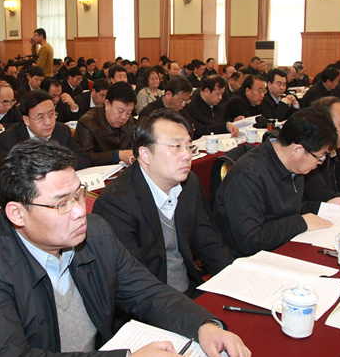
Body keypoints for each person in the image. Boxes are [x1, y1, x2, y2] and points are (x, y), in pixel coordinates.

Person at [0, 139, 250, 357]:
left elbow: (147, 292)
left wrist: (204, 325)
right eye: (62, 204)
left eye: (78, 194)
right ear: (17, 213)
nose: (79, 210)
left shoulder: (94, 233)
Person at [93, 110, 234, 297]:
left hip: (187, 289)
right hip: (149, 301)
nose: (186, 155)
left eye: (188, 146)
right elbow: (133, 282)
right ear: (145, 154)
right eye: (176, 146)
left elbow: (210, 243)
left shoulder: (189, 183)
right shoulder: (116, 203)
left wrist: (237, 283)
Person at [213, 108, 340, 257]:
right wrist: (300, 223)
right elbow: (250, 241)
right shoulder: (248, 175)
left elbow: (290, 209)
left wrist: (326, 208)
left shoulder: (292, 164)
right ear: (297, 150)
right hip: (247, 259)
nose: (319, 163)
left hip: (281, 244)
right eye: (319, 157)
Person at [0, 90, 90, 169]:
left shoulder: (62, 130)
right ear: (26, 120)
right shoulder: (7, 140)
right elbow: (3, 178)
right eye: (40, 117)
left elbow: (83, 158)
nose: (48, 122)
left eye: (51, 114)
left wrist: (56, 168)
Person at [74, 82, 136, 165]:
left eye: (129, 112)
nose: (124, 117)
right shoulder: (87, 123)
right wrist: (117, 155)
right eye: (120, 111)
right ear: (107, 104)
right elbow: (84, 158)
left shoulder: (130, 121)